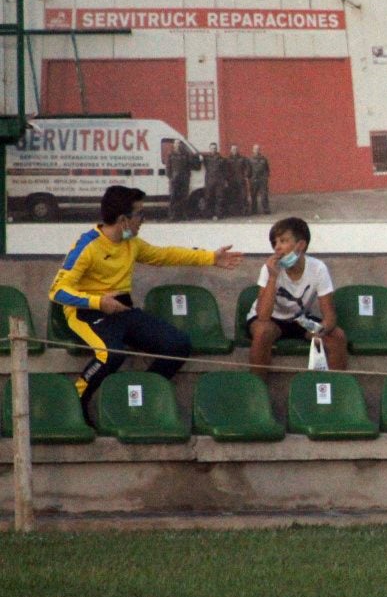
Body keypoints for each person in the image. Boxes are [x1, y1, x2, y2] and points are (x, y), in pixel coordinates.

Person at [48, 185, 243, 426]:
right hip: (87, 313)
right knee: (112, 352)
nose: (143, 220)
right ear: (123, 220)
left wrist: (211, 258)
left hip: (123, 310)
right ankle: (77, 399)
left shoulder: (132, 243)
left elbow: (164, 255)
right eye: (139, 214)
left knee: (178, 344)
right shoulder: (88, 245)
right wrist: (98, 301)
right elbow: (56, 291)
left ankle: (143, 393)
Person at [246, 217, 348, 377]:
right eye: (275, 243)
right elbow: (263, 316)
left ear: (301, 245)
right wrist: (273, 277)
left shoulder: (318, 268)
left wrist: (320, 330)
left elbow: (330, 316)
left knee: (337, 336)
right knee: (262, 331)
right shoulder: (269, 269)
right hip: (271, 319)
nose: (277, 247)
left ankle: (338, 390)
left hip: (299, 320)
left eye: (283, 241)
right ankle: (256, 391)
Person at [165, 140, 192, 221]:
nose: (178, 145)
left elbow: (189, 166)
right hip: (174, 179)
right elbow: (168, 167)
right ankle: (172, 217)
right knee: (173, 198)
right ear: (174, 145)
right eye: (176, 143)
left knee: (184, 197)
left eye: (179, 143)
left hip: (184, 179)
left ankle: (184, 216)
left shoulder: (186, 154)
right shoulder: (170, 154)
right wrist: (170, 177)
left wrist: (187, 176)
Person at [202, 142, 226, 220]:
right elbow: (197, 161)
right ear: (209, 149)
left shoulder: (221, 159)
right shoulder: (206, 158)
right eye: (212, 148)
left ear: (217, 149)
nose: (213, 150)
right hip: (209, 181)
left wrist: (224, 181)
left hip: (219, 182)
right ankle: (209, 215)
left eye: (215, 148)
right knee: (209, 198)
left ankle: (218, 215)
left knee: (219, 198)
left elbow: (224, 171)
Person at [226, 144, 251, 217]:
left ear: (238, 150)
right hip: (232, 181)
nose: (234, 151)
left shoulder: (243, 159)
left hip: (241, 180)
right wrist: (227, 178)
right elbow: (225, 170)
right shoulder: (228, 160)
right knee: (233, 196)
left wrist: (246, 175)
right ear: (231, 150)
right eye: (233, 149)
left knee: (243, 196)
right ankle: (235, 212)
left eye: (236, 149)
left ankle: (244, 212)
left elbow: (248, 167)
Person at [249, 144, 271, 215]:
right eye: (255, 149)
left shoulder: (264, 159)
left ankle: (266, 210)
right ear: (253, 150)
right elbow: (248, 170)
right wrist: (250, 178)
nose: (257, 150)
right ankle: (254, 210)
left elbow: (267, 169)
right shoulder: (250, 159)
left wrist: (265, 177)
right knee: (253, 196)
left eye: (258, 149)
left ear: (260, 150)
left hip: (262, 181)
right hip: (254, 180)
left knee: (264, 195)